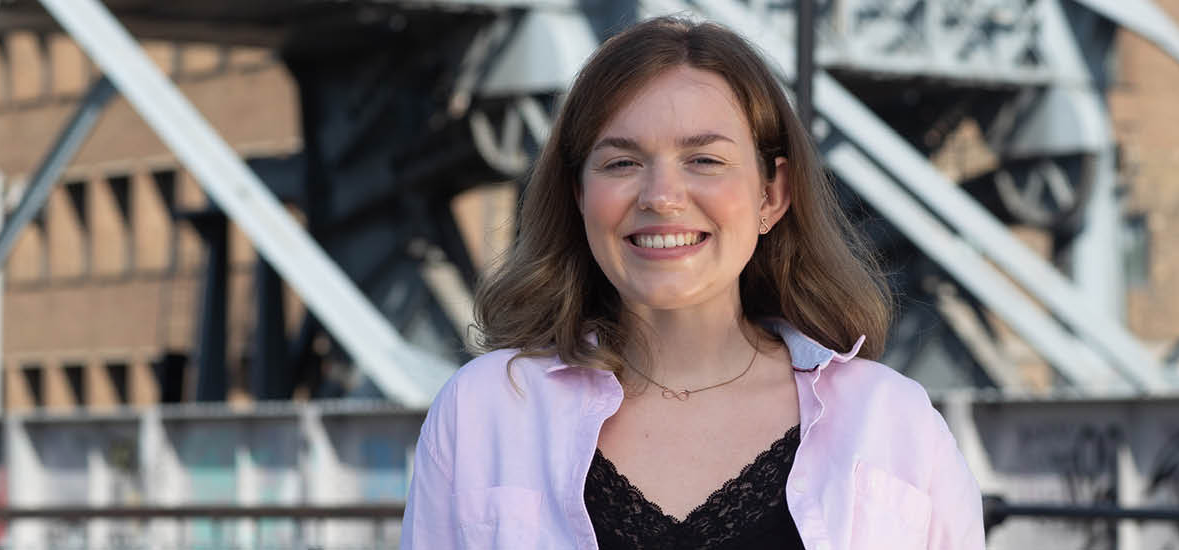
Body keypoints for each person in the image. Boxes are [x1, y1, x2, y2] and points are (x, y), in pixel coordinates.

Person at [400, 15, 984, 550]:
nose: (661, 196)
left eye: (704, 160)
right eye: (622, 163)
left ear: (772, 194)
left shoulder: (892, 424)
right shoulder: (483, 413)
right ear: (579, 195)